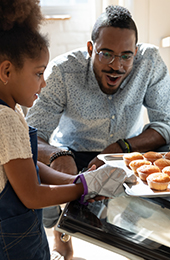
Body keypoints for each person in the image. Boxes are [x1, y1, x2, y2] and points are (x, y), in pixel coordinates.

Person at [26, 4, 170, 260]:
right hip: (72, 152)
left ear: (135, 52)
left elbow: (166, 124)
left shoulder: (149, 62)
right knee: (50, 199)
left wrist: (122, 147)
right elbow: (32, 132)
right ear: (91, 49)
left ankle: (135, 230)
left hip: (126, 150)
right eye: (107, 54)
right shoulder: (62, 71)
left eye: (126, 55)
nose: (117, 66)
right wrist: (59, 154)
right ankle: (63, 240)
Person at [0, 1, 127, 260]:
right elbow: (32, 194)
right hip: (13, 241)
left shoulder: (11, 110)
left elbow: (29, 166)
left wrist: (75, 181)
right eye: (38, 73)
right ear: (6, 71)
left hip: (23, 231)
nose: (44, 82)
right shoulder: (5, 119)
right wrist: (85, 187)